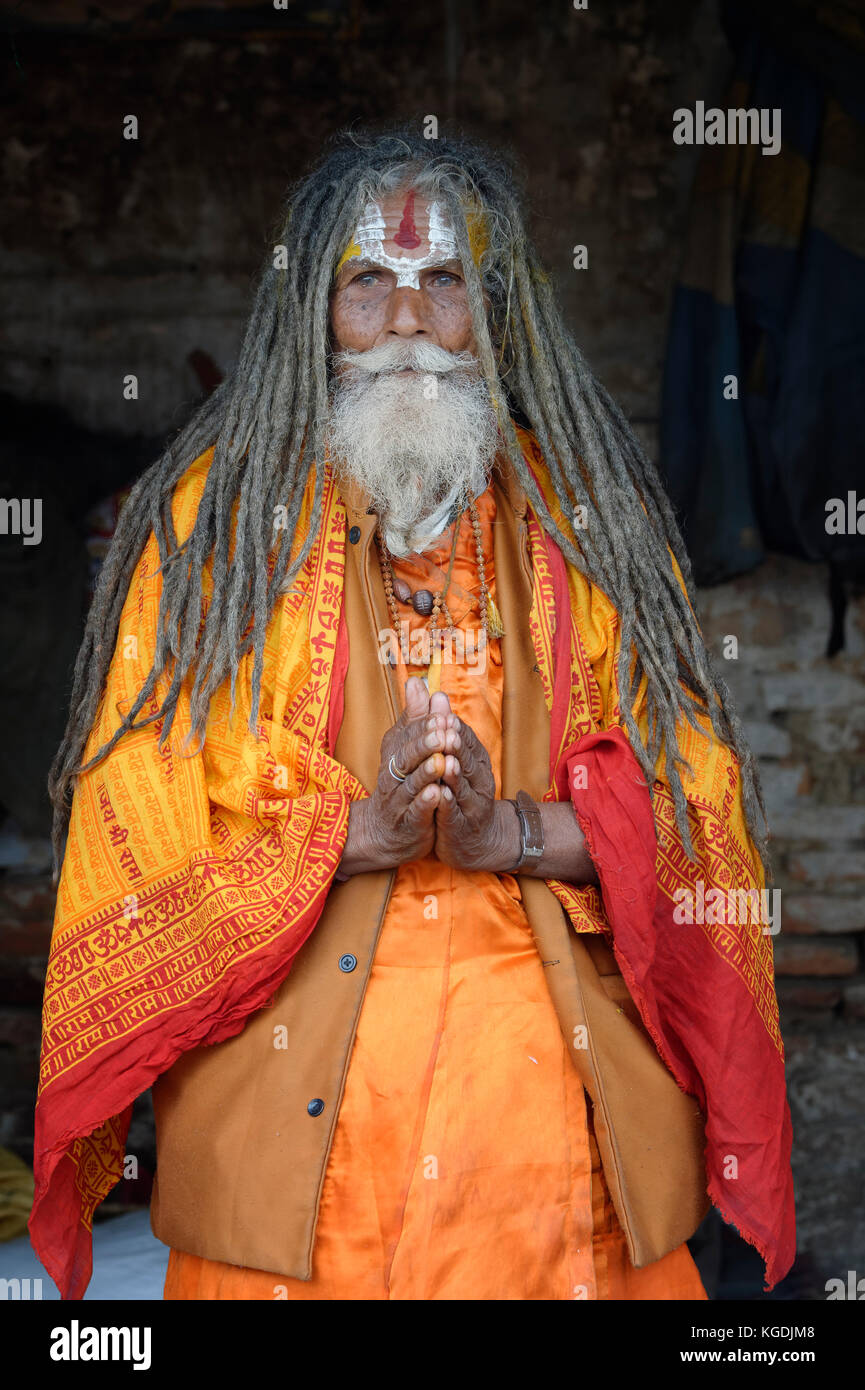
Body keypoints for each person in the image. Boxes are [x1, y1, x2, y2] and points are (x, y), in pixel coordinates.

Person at [30, 126, 795, 1301]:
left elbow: (700, 818)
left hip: (551, 1182)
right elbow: (129, 844)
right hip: (289, 1193)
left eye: (444, 282)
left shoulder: (588, 521)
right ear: (312, 313)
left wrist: (514, 835)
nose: (404, 321)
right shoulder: (208, 538)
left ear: (493, 311)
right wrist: (350, 836)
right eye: (365, 284)